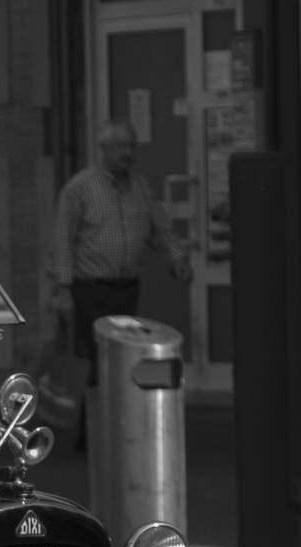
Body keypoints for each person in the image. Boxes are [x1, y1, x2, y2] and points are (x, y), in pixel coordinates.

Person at [46, 117, 192, 399]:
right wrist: (62, 290)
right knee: (95, 361)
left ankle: (116, 419)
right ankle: (89, 423)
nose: (128, 153)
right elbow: (62, 240)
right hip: (90, 291)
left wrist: (177, 259)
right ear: (104, 149)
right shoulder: (80, 188)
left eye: (131, 146)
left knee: (123, 359)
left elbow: (161, 229)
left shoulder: (142, 188)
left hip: (126, 291)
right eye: (120, 146)